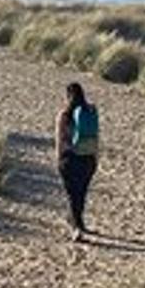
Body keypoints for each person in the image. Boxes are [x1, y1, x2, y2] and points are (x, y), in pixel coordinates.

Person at [55, 82, 100, 242]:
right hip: (87, 158)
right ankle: (79, 223)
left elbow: (60, 139)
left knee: (72, 195)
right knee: (81, 194)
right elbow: (96, 136)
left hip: (69, 159)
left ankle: (77, 229)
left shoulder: (64, 114)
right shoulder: (91, 111)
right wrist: (96, 157)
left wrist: (58, 159)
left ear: (68, 96)